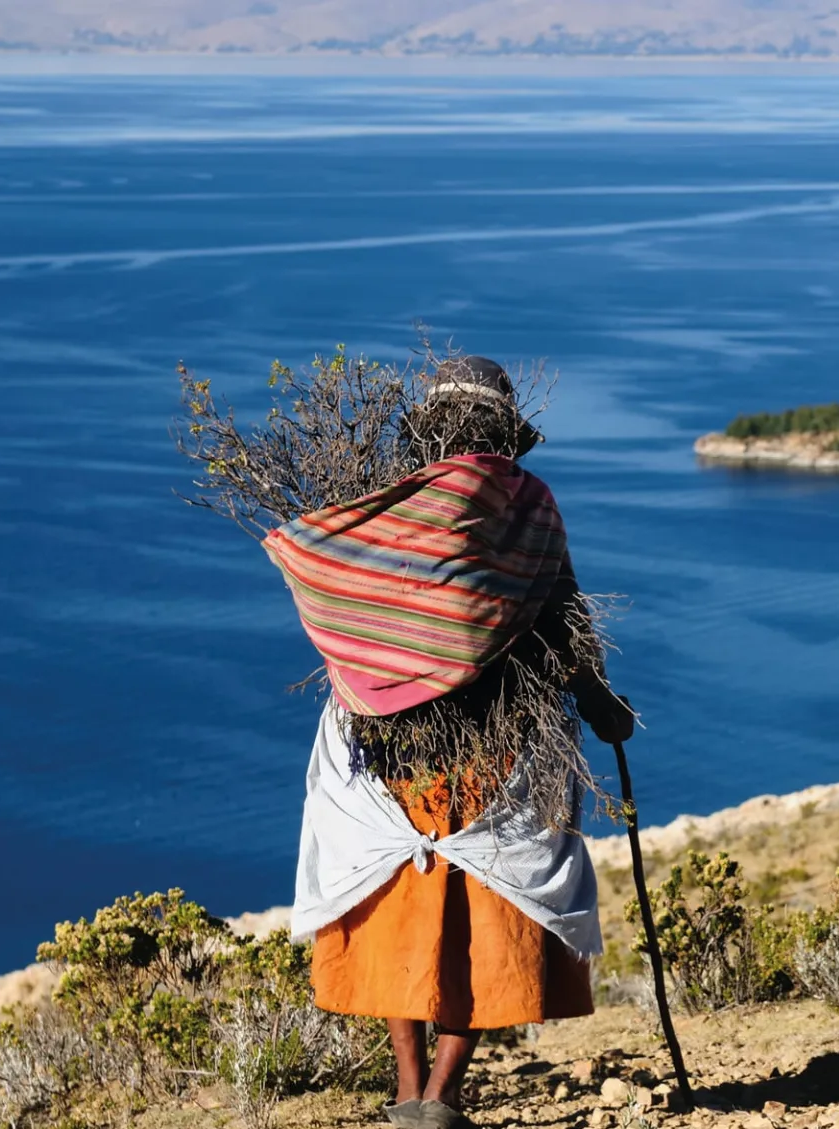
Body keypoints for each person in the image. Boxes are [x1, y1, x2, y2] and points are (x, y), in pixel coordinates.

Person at [268, 356, 635, 1129]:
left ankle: (407, 1090)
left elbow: (338, 591)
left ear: (429, 433)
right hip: (497, 751)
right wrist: (602, 706)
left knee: (398, 908)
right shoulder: (529, 504)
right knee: (483, 912)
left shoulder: (381, 510)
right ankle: (442, 1094)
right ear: (503, 430)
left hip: (387, 753)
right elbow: (563, 616)